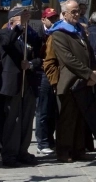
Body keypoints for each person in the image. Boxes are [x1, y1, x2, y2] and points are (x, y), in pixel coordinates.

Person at [49, 0, 96, 162]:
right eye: (74, 12)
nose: (78, 14)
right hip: (70, 82)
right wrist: (88, 73)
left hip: (84, 81)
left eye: (78, 11)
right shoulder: (59, 33)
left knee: (81, 118)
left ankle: (79, 149)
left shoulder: (80, 30)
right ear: (64, 14)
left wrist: (94, 69)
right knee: (67, 119)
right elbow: (68, 59)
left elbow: (89, 52)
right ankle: (64, 151)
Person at [0, 5, 42, 167]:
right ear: (12, 20)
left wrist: (31, 64)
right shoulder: (3, 33)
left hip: (28, 82)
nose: (25, 23)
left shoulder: (30, 36)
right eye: (22, 19)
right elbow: (6, 44)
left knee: (27, 119)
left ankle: (23, 150)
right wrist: (19, 27)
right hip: (11, 83)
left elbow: (39, 58)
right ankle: (9, 153)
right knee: (12, 120)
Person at [35, 8, 59, 155]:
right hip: (42, 74)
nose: (54, 21)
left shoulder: (58, 32)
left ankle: (50, 139)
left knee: (52, 110)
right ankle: (42, 142)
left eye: (55, 18)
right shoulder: (38, 33)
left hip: (55, 73)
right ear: (43, 19)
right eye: (51, 18)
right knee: (43, 110)